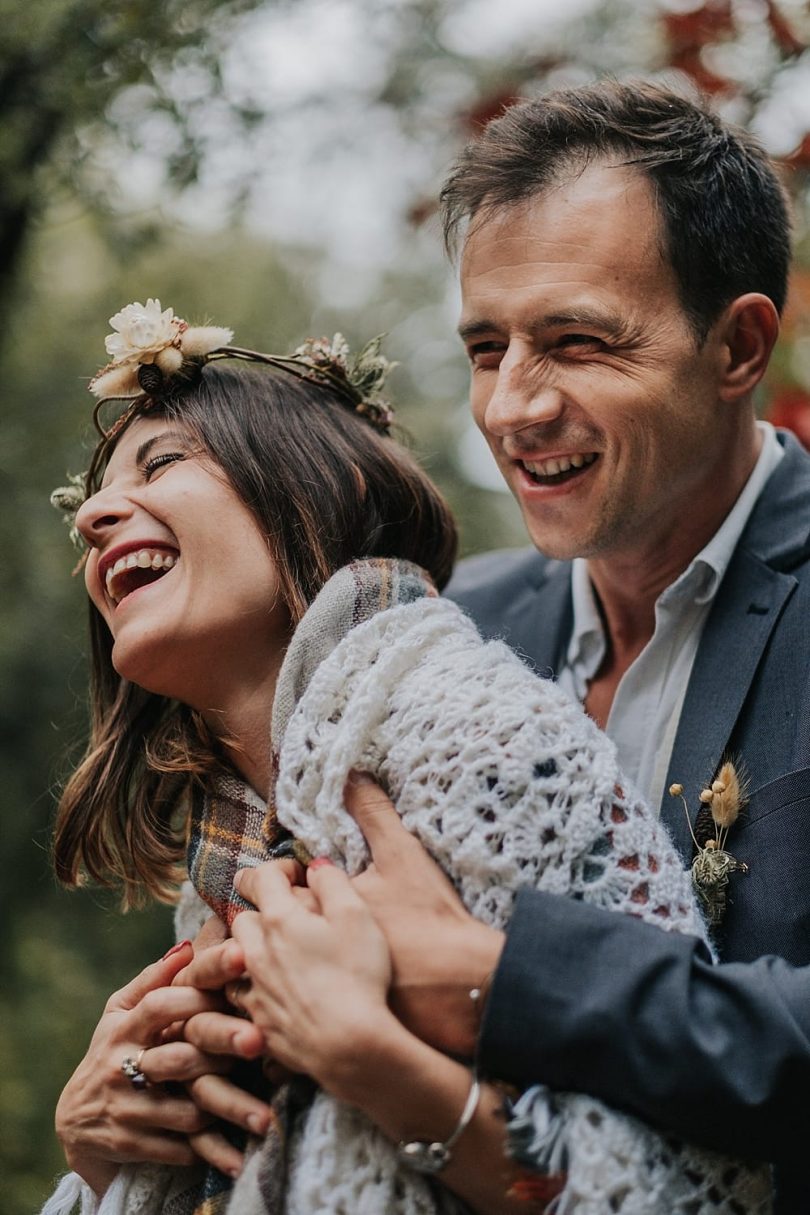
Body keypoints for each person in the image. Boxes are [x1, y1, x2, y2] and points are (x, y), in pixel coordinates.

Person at [43, 300, 771, 1214]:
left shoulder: (486, 741)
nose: (97, 514)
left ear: (319, 486)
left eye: (164, 461)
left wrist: (372, 1061)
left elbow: (693, 1188)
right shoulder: (230, 858)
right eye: (98, 493)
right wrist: (105, 1165)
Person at [305, 77, 810, 1214]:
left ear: (737, 346)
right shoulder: (440, 637)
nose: (514, 407)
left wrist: (508, 983)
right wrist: (148, 1067)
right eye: (489, 348)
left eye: (577, 342)